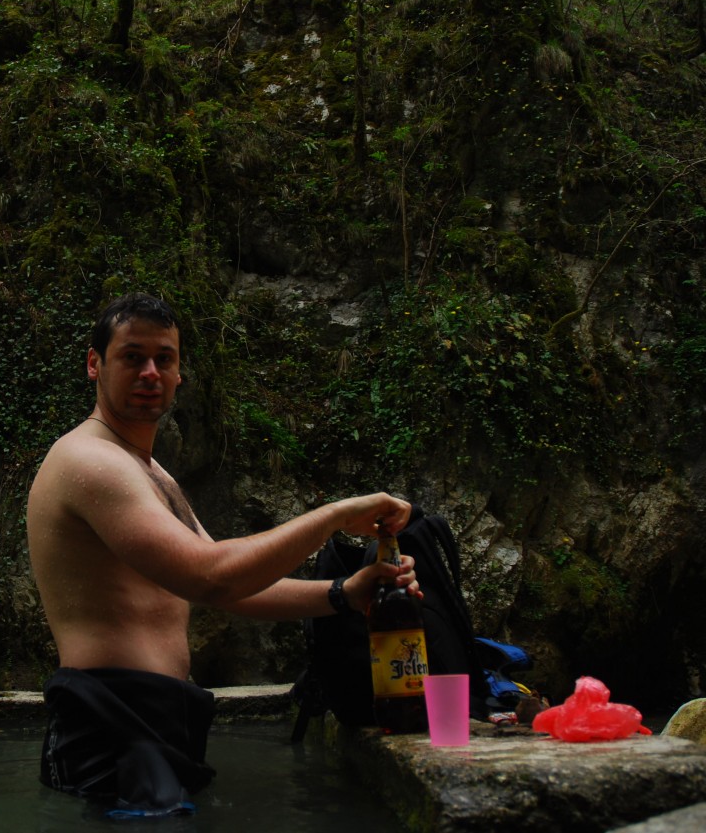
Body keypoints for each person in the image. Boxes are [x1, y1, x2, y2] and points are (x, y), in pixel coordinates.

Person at [26, 292, 417, 817]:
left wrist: (344, 593)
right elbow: (210, 577)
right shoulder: (89, 461)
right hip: (111, 717)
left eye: (164, 358)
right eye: (132, 356)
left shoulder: (150, 472)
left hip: (155, 718)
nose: (150, 372)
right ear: (94, 364)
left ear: (179, 374)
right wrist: (333, 516)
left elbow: (233, 589)